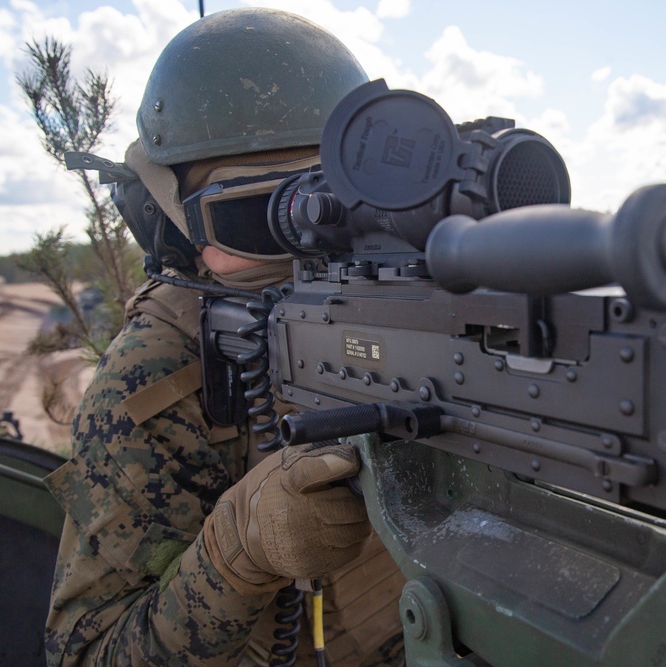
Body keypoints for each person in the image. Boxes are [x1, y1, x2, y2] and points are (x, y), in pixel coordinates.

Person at [43, 9, 405, 666]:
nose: (312, 240)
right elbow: (85, 654)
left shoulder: (409, 301)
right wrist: (237, 555)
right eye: (258, 215)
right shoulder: (153, 381)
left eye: (338, 207)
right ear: (170, 219)